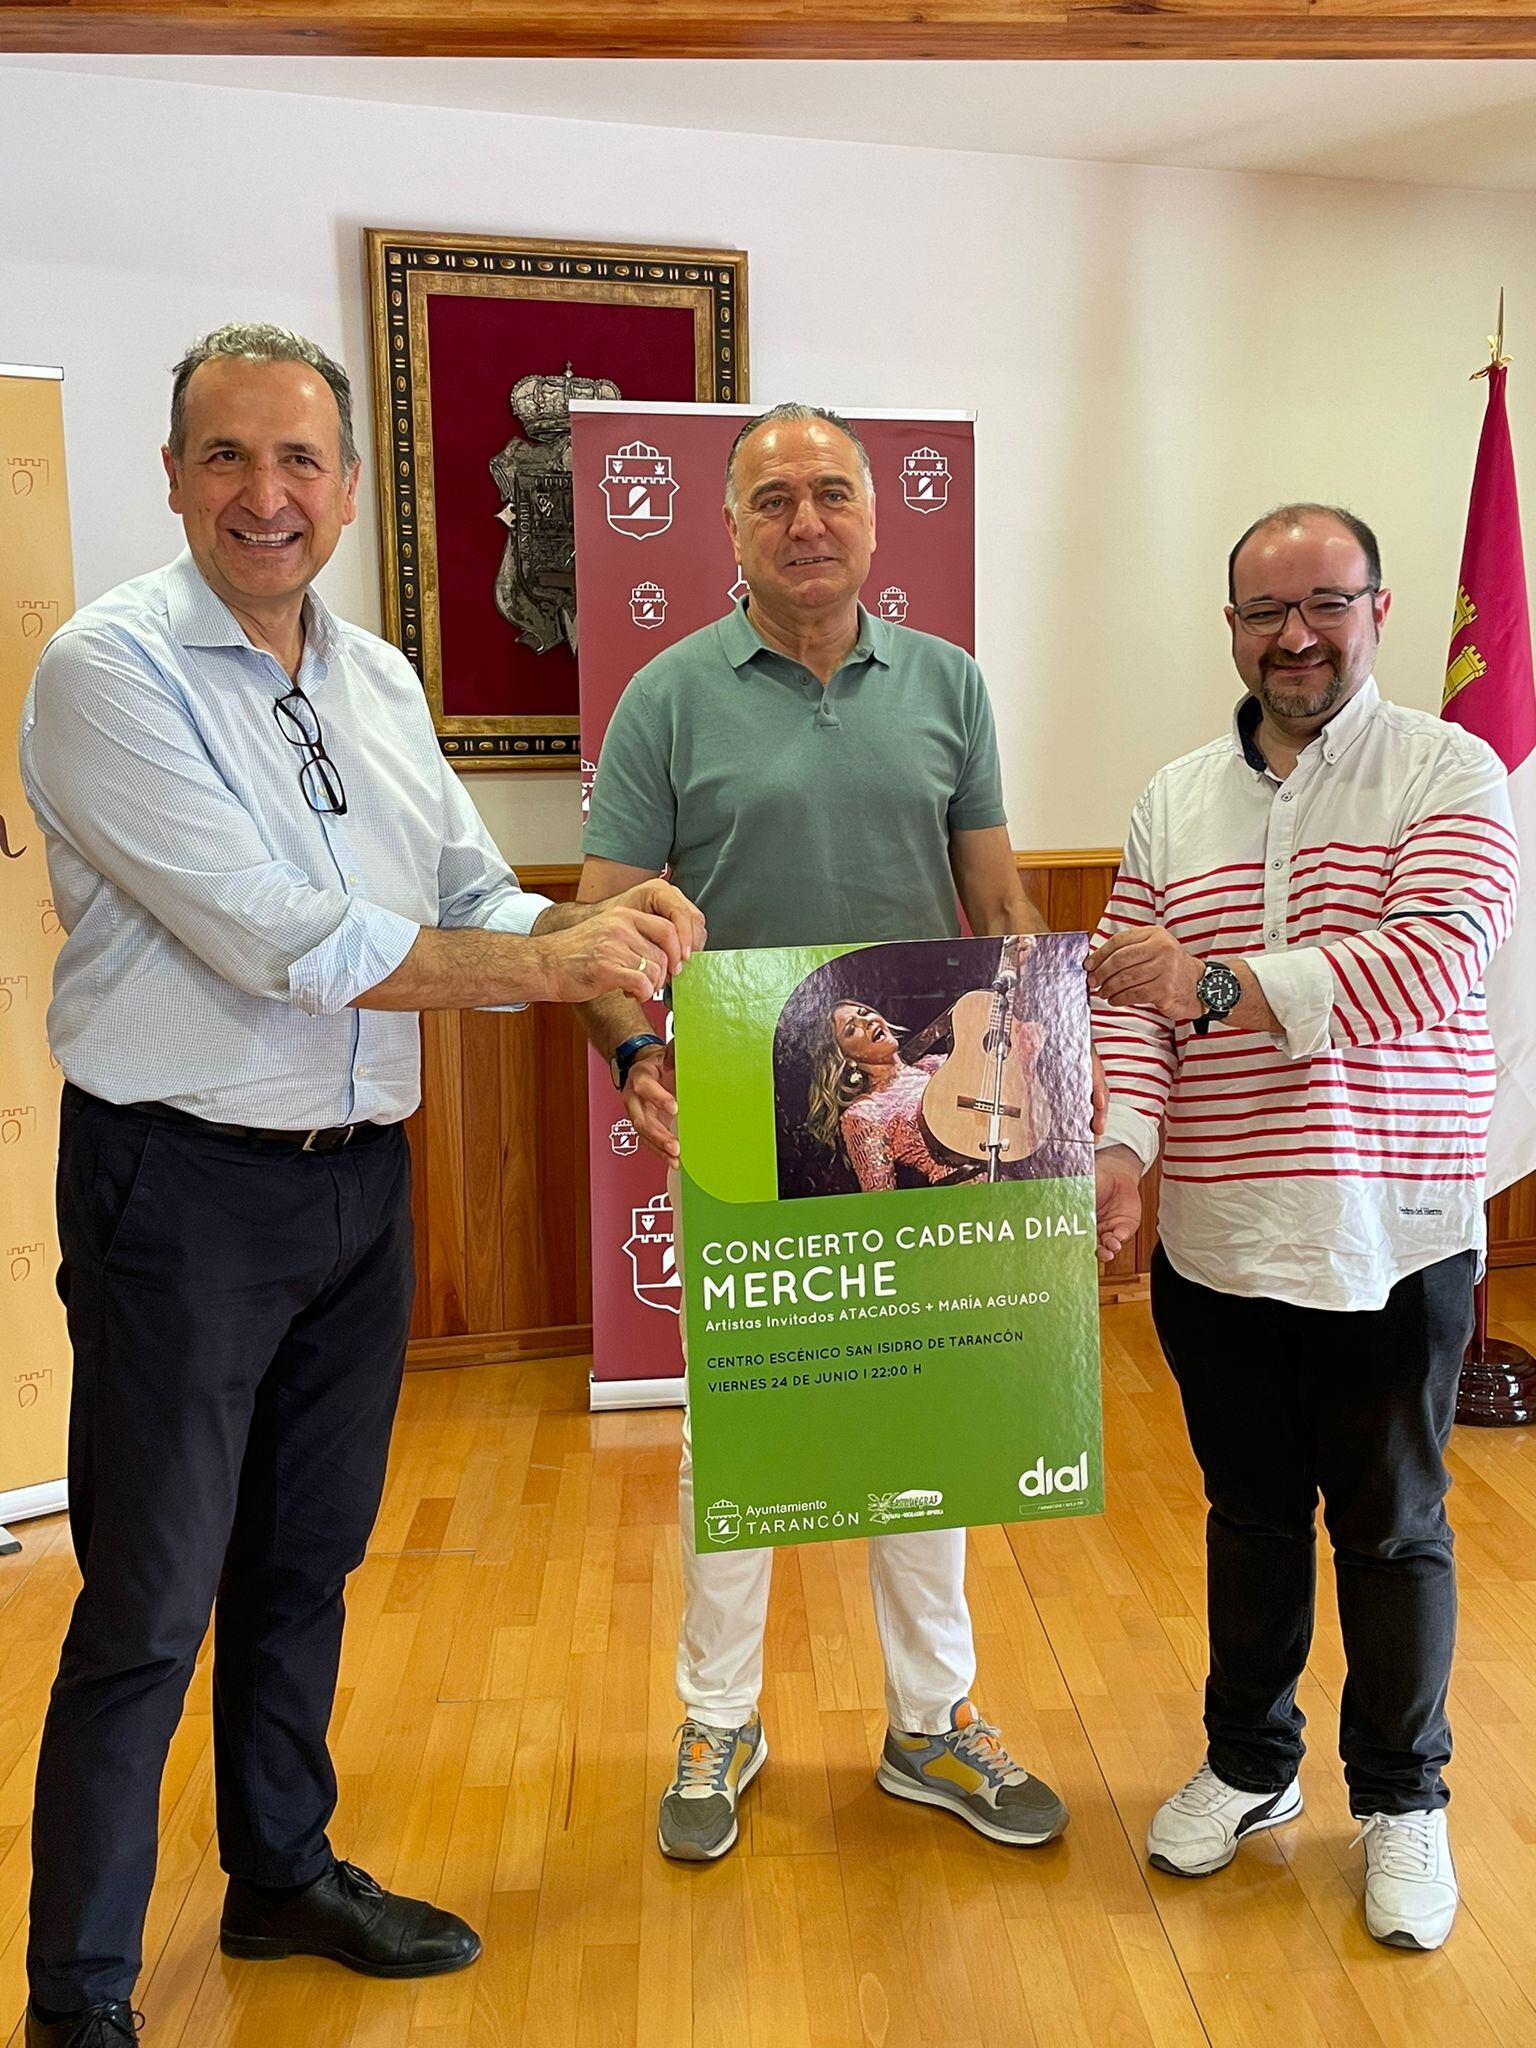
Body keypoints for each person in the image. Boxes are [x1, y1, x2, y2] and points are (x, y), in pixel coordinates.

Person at [17, 323, 702, 2048]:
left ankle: (279, 1872)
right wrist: (557, 969)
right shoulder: (107, 675)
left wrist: (623, 1010)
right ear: (171, 476)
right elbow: (286, 942)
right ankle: (80, 1988)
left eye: (301, 460)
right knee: (152, 1596)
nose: (269, 494)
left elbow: (481, 883)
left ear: (344, 487)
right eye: (230, 457)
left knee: (306, 1558)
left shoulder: (379, 676)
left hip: (355, 1187)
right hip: (177, 1190)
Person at [576, 400, 1074, 1864]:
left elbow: (996, 904)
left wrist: (1046, 1060)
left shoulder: (948, 685)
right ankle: (719, 1716)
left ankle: (932, 1723)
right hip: (745, 1105)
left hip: (934, 1112)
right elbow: (607, 918)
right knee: (742, 1431)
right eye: (776, 496)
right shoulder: (667, 695)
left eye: (833, 494)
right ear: (729, 527)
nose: (808, 520)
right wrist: (635, 1058)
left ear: (874, 519)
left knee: (931, 1417)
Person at [1088, 504, 1518, 1953]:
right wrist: (1127, 1155)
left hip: (1389, 1232)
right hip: (1218, 1237)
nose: (1296, 634)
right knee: (1252, 1518)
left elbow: (1430, 960)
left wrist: (1213, 982)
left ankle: (1403, 1803)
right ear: (1229, 630)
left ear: (1377, 609)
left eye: (1324, 603)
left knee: (1392, 1531)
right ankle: (1251, 1764)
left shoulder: (1448, 769)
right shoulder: (1171, 800)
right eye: (1266, 609)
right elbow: (1123, 1006)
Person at [805, 996, 1047, 1192]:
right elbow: (881, 1203)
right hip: (966, 1202)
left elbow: (1010, 1073)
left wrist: (1018, 972)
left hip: (1024, 1178)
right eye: (851, 1029)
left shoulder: (935, 1065)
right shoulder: (864, 1112)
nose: (865, 1021)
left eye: (864, 1013)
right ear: (847, 1059)